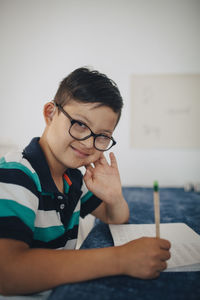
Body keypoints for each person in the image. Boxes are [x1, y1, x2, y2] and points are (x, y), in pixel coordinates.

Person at [0, 67, 171, 297]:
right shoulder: (16, 174)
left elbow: (116, 217)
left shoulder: (74, 178)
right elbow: (7, 272)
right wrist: (121, 258)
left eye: (102, 135)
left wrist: (114, 196)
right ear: (51, 114)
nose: (88, 143)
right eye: (80, 123)